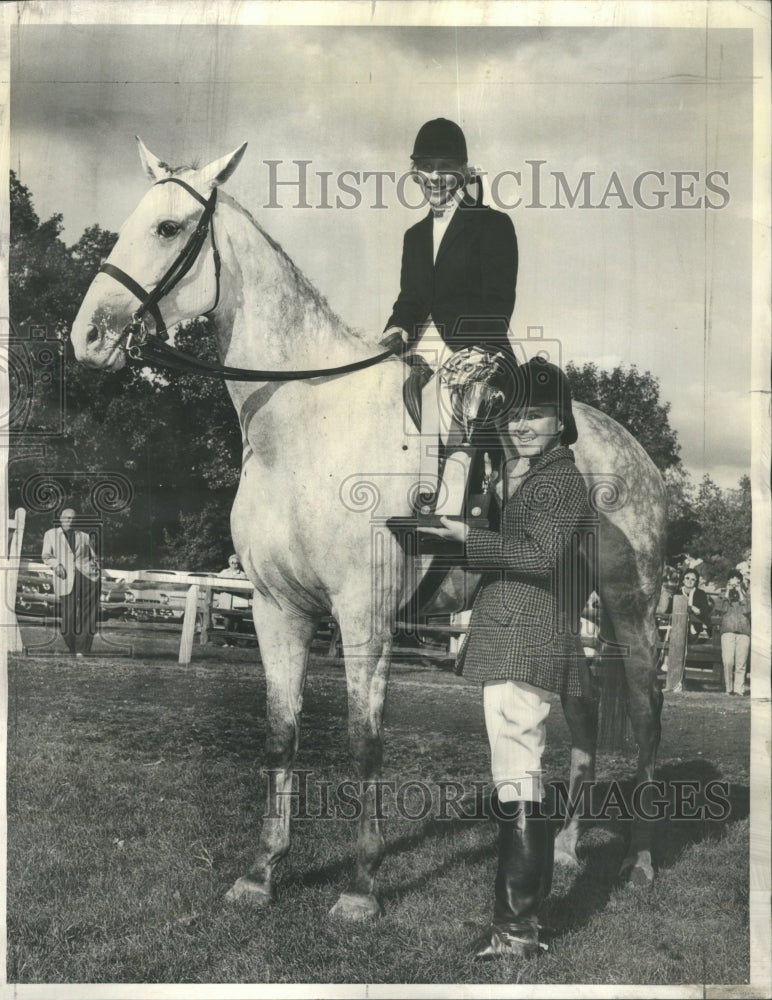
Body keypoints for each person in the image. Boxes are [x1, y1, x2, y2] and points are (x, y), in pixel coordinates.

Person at [420, 358, 591, 958]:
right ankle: (521, 923)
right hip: (513, 633)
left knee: (517, 773)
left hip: (530, 635)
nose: (521, 425)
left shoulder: (563, 480)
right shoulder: (525, 476)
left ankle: (516, 931)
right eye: (514, 414)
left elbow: (541, 556)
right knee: (519, 773)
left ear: (561, 422)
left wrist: (467, 537)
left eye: (536, 415)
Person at [381, 117, 520, 516]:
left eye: (444, 166)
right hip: (424, 348)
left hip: (480, 348)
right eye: (424, 167)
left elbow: (499, 301)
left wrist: (477, 351)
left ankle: (475, 510)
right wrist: (394, 330)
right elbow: (410, 300)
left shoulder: (493, 225)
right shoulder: (414, 236)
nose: (433, 176)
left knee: (457, 402)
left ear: (463, 171)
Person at [42, 507, 101, 656]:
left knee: (88, 615)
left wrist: (96, 569)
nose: (70, 521)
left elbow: (94, 556)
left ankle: (82, 651)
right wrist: (57, 565)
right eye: (67, 518)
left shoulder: (84, 537)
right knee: (67, 619)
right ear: (61, 519)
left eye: (73, 518)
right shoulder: (50, 534)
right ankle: (74, 648)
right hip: (66, 579)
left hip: (88, 578)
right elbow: (46, 556)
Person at [718, 570, 751, 695]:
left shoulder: (746, 595)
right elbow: (720, 609)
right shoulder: (723, 594)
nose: (735, 581)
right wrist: (727, 592)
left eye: (737, 579)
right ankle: (729, 689)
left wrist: (740, 593)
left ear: (741, 582)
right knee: (728, 661)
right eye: (732, 578)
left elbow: (747, 610)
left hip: (743, 632)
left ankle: (739, 690)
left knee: (741, 663)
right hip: (728, 631)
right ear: (728, 581)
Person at [677, 569, 712, 641]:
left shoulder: (701, 594)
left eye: (693, 579)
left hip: (696, 626)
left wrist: (696, 609)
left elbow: (705, 611)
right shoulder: (677, 593)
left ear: (696, 582)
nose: (689, 581)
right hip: (678, 624)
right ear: (683, 580)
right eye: (687, 578)